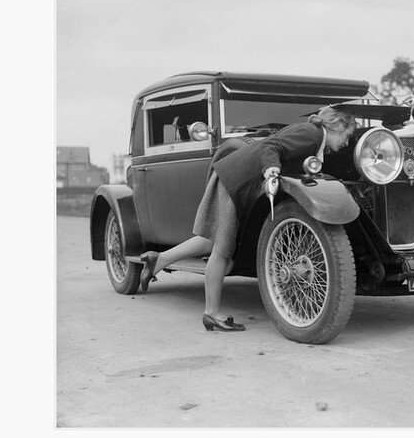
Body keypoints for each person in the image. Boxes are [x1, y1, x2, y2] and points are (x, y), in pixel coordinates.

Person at [138, 106, 357, 332]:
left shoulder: (313, 136)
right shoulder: (311, 134)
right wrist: (272, 167)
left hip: (232, 179)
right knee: (222, 251)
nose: (347, 142)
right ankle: (212, 313)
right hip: (236, 181)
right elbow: (272, 146)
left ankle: (159, 260)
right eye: (347, 136)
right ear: (336, 127)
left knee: (209, 241)